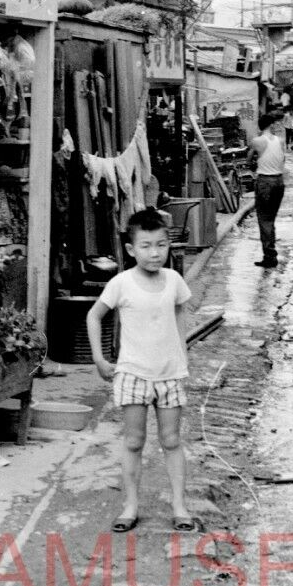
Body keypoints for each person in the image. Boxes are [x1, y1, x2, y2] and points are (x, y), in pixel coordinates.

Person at [86, 208, 196, 533]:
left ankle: (179, 506)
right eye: (146, 246)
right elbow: (94, 316)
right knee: (133, 441)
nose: (154, 253)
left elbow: (178, 314)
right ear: (131, 249)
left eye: (161, 245)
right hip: (132, 375)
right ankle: (130, 506)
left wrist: (182, 353)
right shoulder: (121, 283)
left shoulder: (174, 280)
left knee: (172, 440)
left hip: (169, 375)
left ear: (168, 246)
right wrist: (99, 358)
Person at [248, 112, 287, 269]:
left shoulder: (257, 141)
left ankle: (269, 256)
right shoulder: (280, 140)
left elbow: (248, 159)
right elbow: (282, 159)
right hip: (279, 181)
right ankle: (271, 252)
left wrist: (256, 160)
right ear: (271, 125)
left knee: (264, 219)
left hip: (265, 182)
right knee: (271, 219)